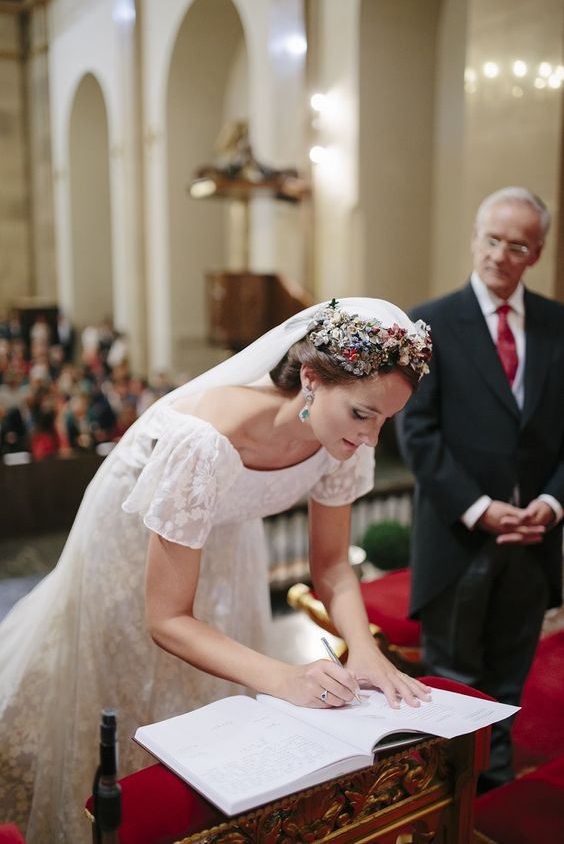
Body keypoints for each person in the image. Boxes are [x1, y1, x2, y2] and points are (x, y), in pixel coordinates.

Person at [0, 297, 432, 844]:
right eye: (362, 415)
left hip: (228, 537)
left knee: (214, 690)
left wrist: (365, 648)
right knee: (126, 690)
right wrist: (284, 676)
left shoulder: (342, 440)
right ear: (312, 379)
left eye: (385, 421)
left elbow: (331, 567)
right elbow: (168, 619)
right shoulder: (203, 441)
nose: (371, 438)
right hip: (134, 545)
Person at [396, 187, 564, 793]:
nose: (499, 254)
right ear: (474, 238)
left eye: (515, 244)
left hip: (535, 540)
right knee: (453, 685)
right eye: (490, 238)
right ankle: (444, 805)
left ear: (536, 253)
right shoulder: (430, 323)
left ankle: (490, 801)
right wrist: (479, 508)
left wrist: (549, 504)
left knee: (508, 684)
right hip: (457, 537)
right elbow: (417, 433)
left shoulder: (558, 325)